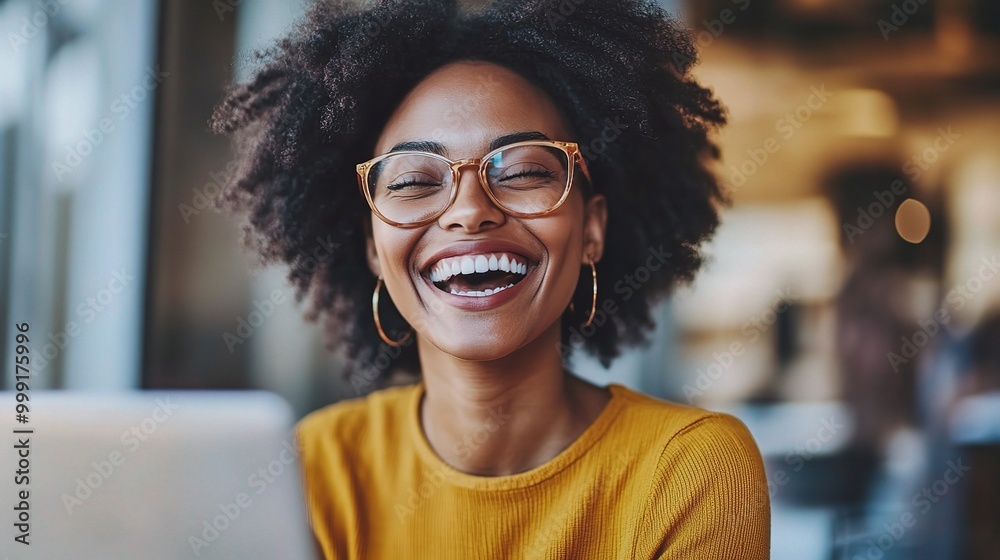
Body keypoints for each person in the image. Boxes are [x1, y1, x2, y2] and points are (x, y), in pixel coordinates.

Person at [210, 1, 770, 558]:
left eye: (524, 170)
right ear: (372, 248)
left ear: (592, 228)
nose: (469, 210)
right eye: (413, 182)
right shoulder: (314, 468)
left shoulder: (689, 469)